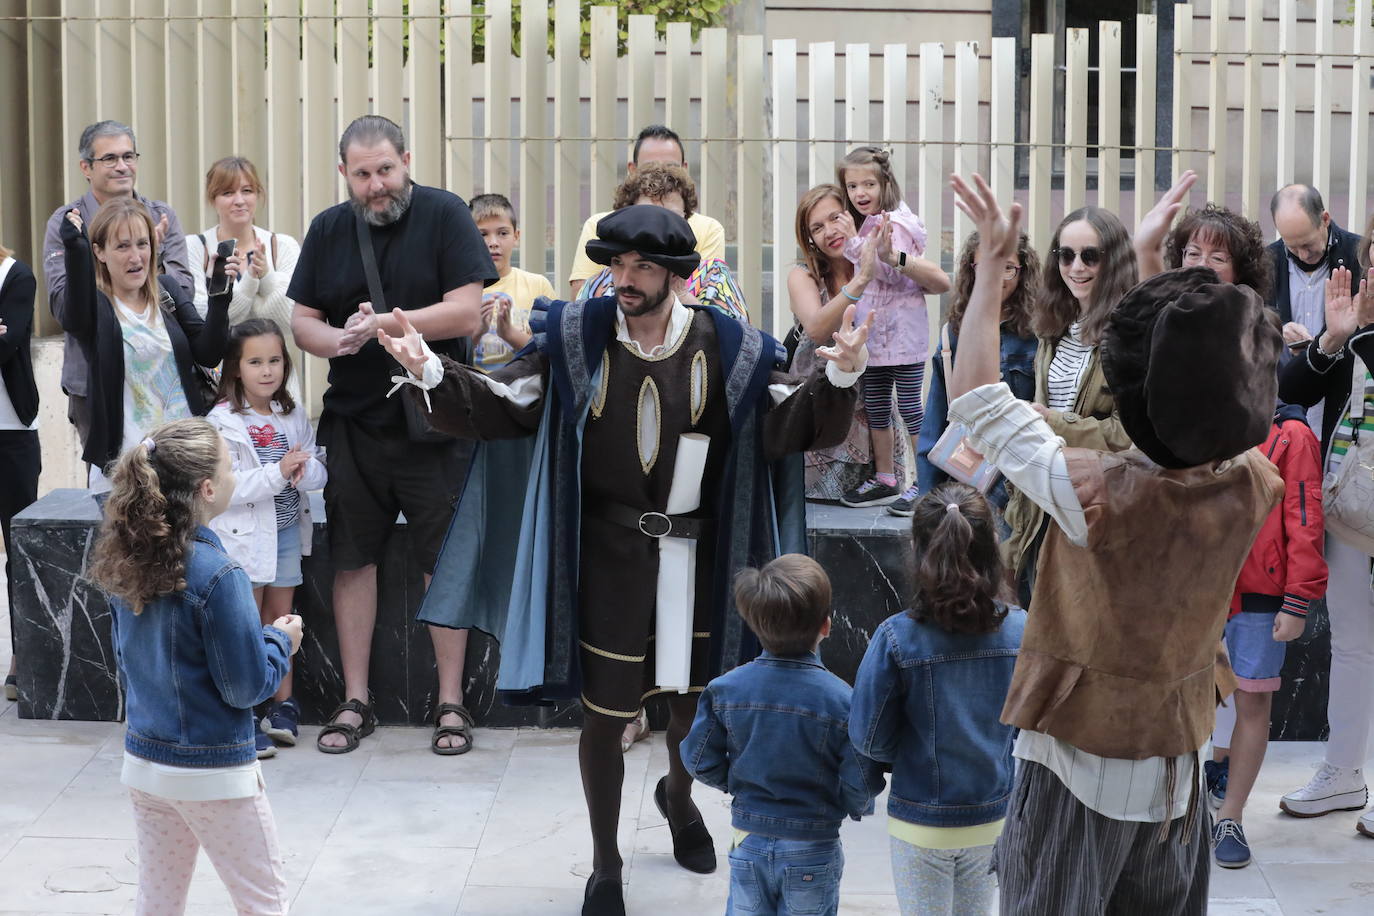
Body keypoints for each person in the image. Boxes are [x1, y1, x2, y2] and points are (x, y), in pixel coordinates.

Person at [377, 204, 872, 916]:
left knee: (690, 705)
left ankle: (678, 797)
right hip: (606, 557)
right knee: (604, 717)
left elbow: (785, 419)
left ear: (676, 274)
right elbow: (512, 399)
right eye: (616, 264)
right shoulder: (578, 337)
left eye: (641, 266)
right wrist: (430, 372)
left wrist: (844, 380)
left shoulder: (730, 346)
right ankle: (606, 863)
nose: (625, 278)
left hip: (700, 556)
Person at [947, 173, 1284, 913]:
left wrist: (987, 279)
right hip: (1179, 766)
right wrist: (1151, 265)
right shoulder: (1255, 481)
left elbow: (976, 400)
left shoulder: (1095, 492)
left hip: (1079, 767)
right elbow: (1206, 384)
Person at [288, 115, 496, 755]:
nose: (377, 185)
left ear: (407, 159)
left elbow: (465, 309)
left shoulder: (445, 215)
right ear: (344, 174)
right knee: (352, 559)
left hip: (437, 420)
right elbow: (302, 322)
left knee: (444, 564)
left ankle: (451, 702)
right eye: (362, 174)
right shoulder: (327, 228)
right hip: (354, 422)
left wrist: (385, 324)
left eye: (386, 170)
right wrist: (339, 339)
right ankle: (356, 698)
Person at [90, 417, 304, 915]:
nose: (235, 475)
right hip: (212, 771)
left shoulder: (130, 556)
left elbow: (129, 661)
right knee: (265, 903)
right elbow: (246, 686)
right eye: (231, 467)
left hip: (145, 764)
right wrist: (280, 640)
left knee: (159, 903)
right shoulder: (220, 573)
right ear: (208, 488)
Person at [849, 482, 1026, 916]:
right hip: (995, 815)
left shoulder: (896, 637)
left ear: (916, 547)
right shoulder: (1024, 631)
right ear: (993, 546)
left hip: (920, 820)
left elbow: (868, 737)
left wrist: (908, 752)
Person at [680, 554, 884, 916]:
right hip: (814, 844)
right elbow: (860, 778)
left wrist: (736, 783)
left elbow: (697, 758)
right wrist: (849, 804)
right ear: (826, 626)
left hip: (749, 839)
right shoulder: (843, 700)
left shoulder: (725, 689)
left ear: (754, 625)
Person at [1205, 401, 1327, 867]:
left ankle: (1230, 817)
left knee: (1252, 702)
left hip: (1259, 593)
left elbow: (1304, 516)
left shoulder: (1291, 434)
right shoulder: (1201, 415)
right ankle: (1213, 775)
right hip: (1201, 587)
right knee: (1196, 694)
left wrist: (1298, 599)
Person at [1277, 264, 1374, 838]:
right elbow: (1292, 390)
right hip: (1346, 508)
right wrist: (1332, 338)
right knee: (1352, 645)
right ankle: (1342, 772)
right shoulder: (1350, 329)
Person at [1002, 204, 1139, 605]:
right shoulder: (1052, 328)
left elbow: (1127, 432)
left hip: (1095, 512)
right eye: (1066, 255)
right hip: (1038, 505)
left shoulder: (1129, 334)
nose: (1076, 267)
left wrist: (1052, 421)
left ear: (1112, 261)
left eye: (1090, 256)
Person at [207, 319, 326, 758]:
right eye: (255, 362)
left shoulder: (291, 413)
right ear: (236, 368)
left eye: (274, 360)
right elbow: (228, 488)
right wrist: (279, 473)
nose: (267, 370)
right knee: (247, 622)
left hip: (286, 534)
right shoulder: (221, 422)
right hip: (242, 539)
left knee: (283, 618)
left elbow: (316, 470)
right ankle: (248, 711)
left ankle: (283, 704)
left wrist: (304, 470)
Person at [58, 198, 233, 484]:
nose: (136, 256)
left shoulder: (167, 291)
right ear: (99, 252)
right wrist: (75, 250)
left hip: (186, 460)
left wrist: (220, 296)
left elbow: (208, 353)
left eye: (143, 243)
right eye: (122, 246)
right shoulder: (97, 306)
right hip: (127, 470)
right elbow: (74, 316)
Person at [43, 120, 193, 443]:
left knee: (179, 481)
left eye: (129, 156)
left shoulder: (161, 214)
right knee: (116, 486)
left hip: (164, 375)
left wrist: (148, 255)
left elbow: (183, 290)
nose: (122, 166)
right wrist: (119, 265)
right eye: (109, 159)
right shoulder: (68, 222)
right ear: (86, 167)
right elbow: (61, 303)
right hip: (96, 381)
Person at [835, 146, 951, 513]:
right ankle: (885, 478)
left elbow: (887, 271)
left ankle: (923, 483)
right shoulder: (871, 221)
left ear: (886, 182)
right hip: (876, 335)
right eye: (852, 186)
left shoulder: (894, 224)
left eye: (868, 183)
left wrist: (855, 244)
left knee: (912, 409)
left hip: (901, 334)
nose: (860, 193)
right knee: (877, 407)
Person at [788, 184, 906, 501]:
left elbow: (917, 278)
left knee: (878, 519)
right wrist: (861, 279)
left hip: (874, 416)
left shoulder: (878, 263)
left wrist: (883, 260)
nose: (829, 231)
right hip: (821, 415)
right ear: (809, 238)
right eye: (817, 227)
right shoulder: (803, 275)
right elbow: (815, 328)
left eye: (835, 218)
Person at [915, 231, 1039, 521]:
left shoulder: (1039, 335)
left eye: (1006, 267)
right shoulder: (954, 335)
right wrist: (926, 507)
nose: (996, 277)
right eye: (985, 267)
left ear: (1022, 272)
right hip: (967, 487)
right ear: (972, 271)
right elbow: (935, 424)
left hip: (1023, 490)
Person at [576, 163, 748, 323]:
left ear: (686, 219)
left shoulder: (713, 276)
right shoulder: (600, 283)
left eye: (671, 217)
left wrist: (681, 295)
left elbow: (738, 339)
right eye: (648, 216)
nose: (660, 228)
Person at [567, 124, 726, 298]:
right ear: (633, 170)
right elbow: (581, 297)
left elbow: (714, 306)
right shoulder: (600, 226)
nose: (661, 176)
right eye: (649, 168)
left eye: (671, 168)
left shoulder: (709, 230)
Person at [185, 159, 303, 390]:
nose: (239, 200)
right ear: (213, 199)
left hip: (278, 382)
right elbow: (202, 318)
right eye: (228, 192)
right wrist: (251, 284)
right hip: (220, 381)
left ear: (258, 195)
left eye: (247, 191)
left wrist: (266, 277)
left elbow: (290, 320)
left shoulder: (282, 245)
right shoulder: (195, 247)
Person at [1270, 185, 1365, 447]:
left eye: (1308, 244)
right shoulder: (1266, 262)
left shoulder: (1359, 255)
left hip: (1341, 402)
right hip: (1287, 404)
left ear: (1325, 219)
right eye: (1292, 247)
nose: (1302, 254)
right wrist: (1279, 330)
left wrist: (1331, 343)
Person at [0, 236, 39, 702]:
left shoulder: (15, 275)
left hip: (10, 432)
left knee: (18, 548)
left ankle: (23, 655)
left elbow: (7, 346)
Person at [469, 193, 557, 373]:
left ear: (516, 236)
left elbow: (553, 353)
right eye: (483, 234)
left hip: (527, 394)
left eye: (503, 233)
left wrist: (509, 333)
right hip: (472, 393)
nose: (493, 243)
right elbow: (444, 360)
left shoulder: (538, 285)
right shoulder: (458, 290)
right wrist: (477, 332)